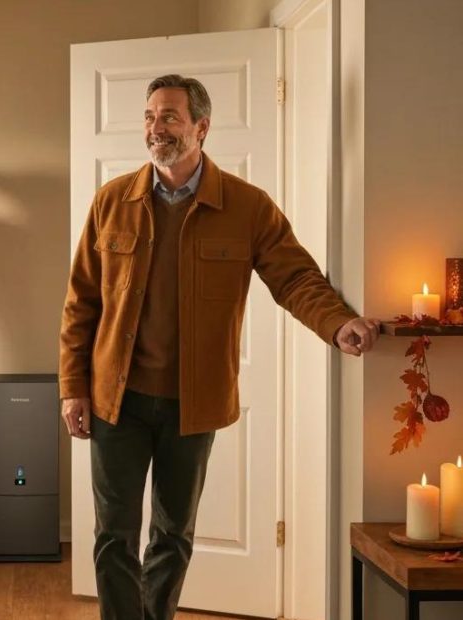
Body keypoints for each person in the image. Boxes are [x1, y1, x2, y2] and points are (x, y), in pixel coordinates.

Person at [58, 74, 380, 620]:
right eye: (150, 116)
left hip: (193, 402)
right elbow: (80, 303)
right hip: (116, 399)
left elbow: (295, 277)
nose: (156, 128)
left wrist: (337, 323)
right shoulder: (112, 201)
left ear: (201, 127)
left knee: (173, 534)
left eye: (170, 117)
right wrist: (73, 388)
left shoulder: (247, 207)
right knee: (114, 535)